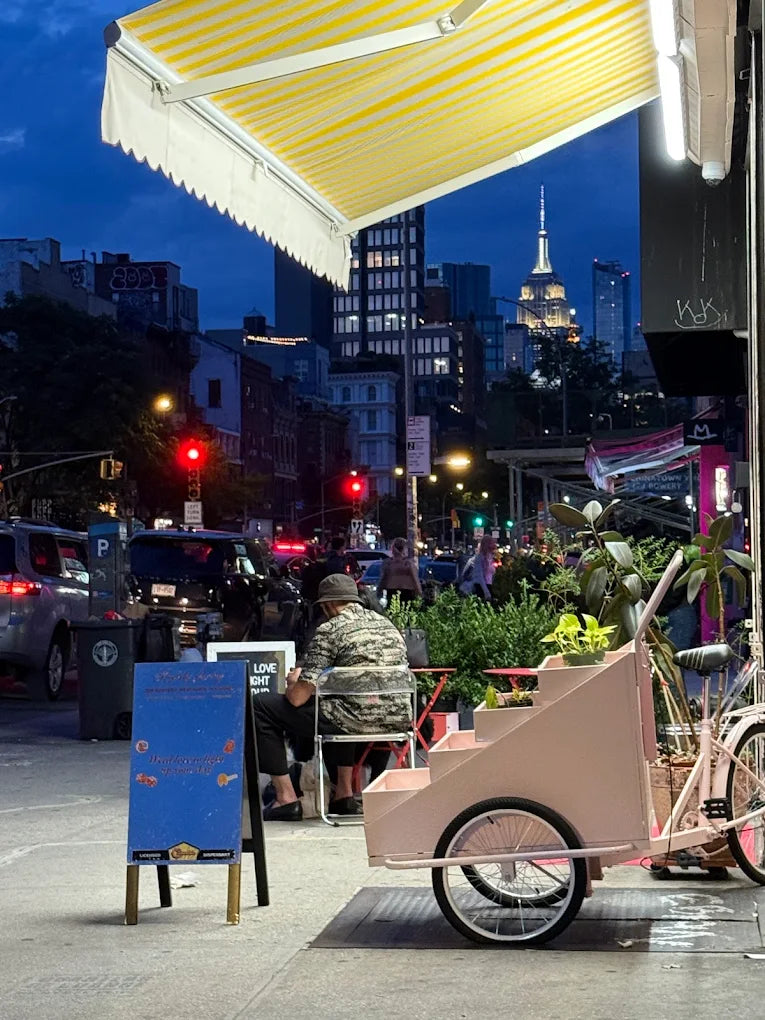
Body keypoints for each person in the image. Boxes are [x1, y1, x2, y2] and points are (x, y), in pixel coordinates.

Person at [252, 573, 411, 820]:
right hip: (396, 719)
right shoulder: (387, 626)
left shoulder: (329, 630)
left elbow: (297, 699)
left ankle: (285, 799)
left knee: (260, 705)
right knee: (342, 702)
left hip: (352, 719)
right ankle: (343, 796)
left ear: (326, 606)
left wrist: (295, 681)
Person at [377, 537, 422, 603]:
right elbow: (415, 579)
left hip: (391, 591)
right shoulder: (408, 563)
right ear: (404, 549)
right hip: (407, 591)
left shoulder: (388, 563)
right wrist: (419, 593)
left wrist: (379, 591)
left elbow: (383, 579)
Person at [459, 535, 498, 601]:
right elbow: (480, 577)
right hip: (479, 588)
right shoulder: (479, 558)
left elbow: (492, 575)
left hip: (488, 586)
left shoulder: (491, 559)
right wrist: (486, 592)